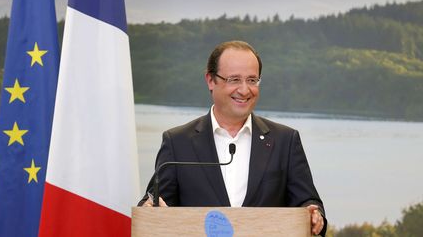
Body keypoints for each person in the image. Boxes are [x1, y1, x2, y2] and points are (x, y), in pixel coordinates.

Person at [138, 40, 327, 236]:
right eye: (234, 79)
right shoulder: (177, 142)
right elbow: (155, 204)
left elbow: (308, 202)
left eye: (252, 80)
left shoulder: (285, 141)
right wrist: (149, 209)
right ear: (211, 80)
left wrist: (314, 213)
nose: (245, 90)